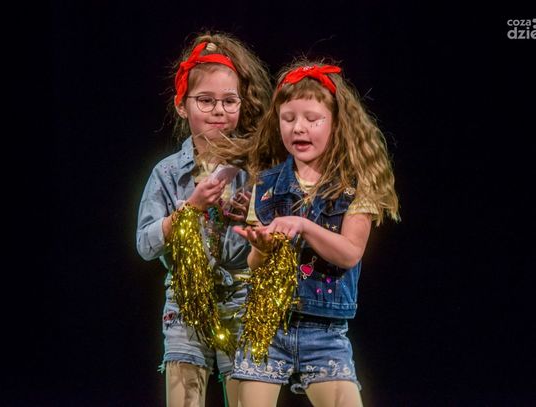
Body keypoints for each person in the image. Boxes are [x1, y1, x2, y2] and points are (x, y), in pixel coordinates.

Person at [231, 60, 400, 407]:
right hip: (269, 325)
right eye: (288, 118)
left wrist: (304, 226)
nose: (298, 128)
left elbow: (350, 252)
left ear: (336, 123)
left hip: (324, 333)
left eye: (312, 119)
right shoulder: (267, 185)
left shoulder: (355, 186)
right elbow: (254, 263)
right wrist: (261, 248)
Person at [136, 31, 271, 407]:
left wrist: (257, 225)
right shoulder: (167, 173)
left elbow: (271, 239)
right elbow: (145, 244)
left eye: (229, 101)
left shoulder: (254, 168)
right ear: (182, 106)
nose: (218, 110)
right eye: (206, 100)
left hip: (242, 299)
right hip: (185, 304)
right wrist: (191, 207)